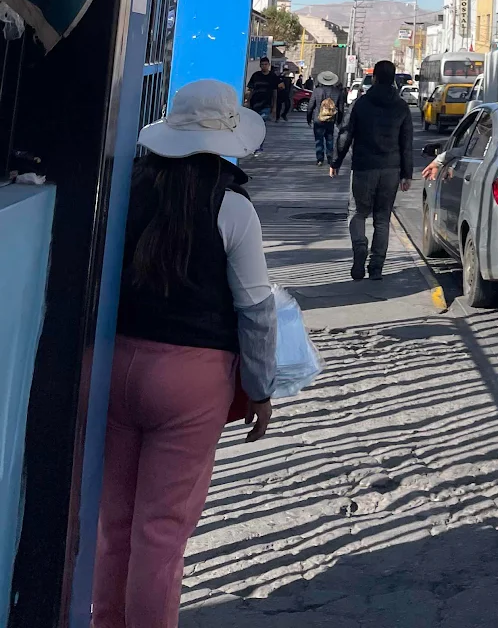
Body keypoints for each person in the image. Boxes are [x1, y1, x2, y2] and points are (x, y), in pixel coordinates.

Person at [94, 80, 275, 628]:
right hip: (191, 381)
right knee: (162, 531)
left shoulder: (123, 186)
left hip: (110, 366)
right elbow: (256, 310)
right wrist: (261, 390)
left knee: (113, 524)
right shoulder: (233, 207)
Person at [331, 59, 412, 281]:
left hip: (363, 167)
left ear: (374, 78)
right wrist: (407, 174)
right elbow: (406, 143)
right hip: (391, 170)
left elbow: (345, 134)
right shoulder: (401, 106)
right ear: (393, 79)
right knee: (382, 219)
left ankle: (359, 247)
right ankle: (376, 267)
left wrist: (335, 162)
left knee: (357, 213)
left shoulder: (361, 104)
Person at [307, 70, 344, 167]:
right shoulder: (338, 92)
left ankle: (320, 159)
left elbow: (311, 105)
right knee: (330, 138)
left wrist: (309, 118)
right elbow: (341, 109)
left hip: (318, 119)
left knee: (319, 139)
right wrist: (339, 120)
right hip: (331, 119)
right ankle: (330, 157)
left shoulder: (317, 91)